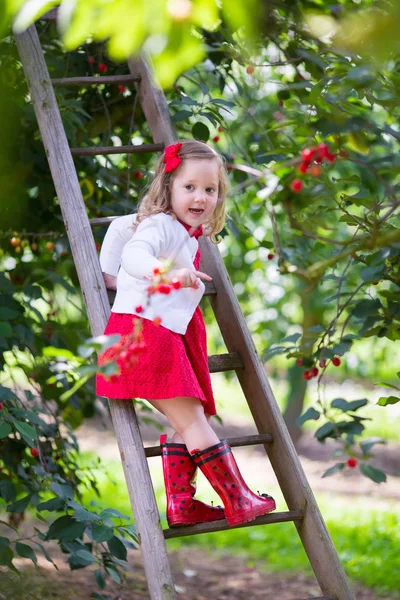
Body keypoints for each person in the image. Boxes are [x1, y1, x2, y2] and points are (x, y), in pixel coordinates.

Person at [96, 139, 276, 528]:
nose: (201, 197)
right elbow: (134, 255)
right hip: (144, 336)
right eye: (189, 187)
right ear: (169, 188)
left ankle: (183, 504)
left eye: (210, 190)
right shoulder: (159, 226)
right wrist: (166, 274)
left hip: (156, 336)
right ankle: (238, 499)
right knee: (195, 422)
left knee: (190, 419)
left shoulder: (182, 231)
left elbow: (120, 253)